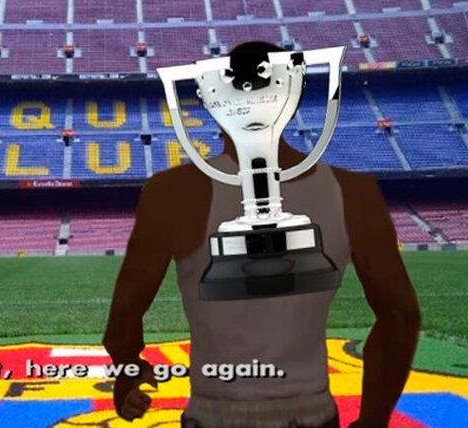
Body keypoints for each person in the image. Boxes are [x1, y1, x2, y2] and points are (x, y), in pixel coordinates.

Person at [102, 41, 421, 428]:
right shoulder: (354, 193)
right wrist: (372, 420)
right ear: (292, 93)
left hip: (213, 411)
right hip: (311, 411)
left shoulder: (170, 192)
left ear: (213, 97)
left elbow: (124, 316)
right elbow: (400, 317)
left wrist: (128, 368)